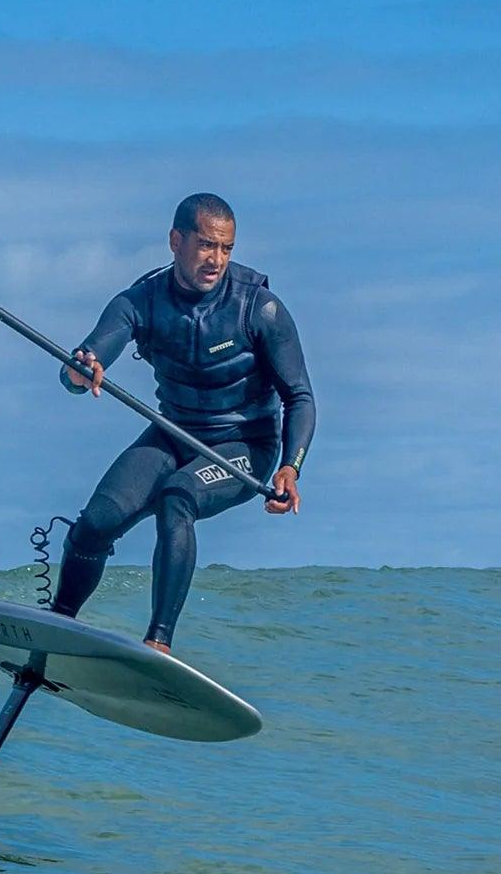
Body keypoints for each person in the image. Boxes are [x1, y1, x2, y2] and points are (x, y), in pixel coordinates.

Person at [50, 192, 316, 653]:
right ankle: (55, 629)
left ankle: (158, 643)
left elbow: (300, 397)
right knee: (95, 524)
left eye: (226, 248)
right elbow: (87, 357)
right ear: (176, 240)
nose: (217, 259)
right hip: (173, 433)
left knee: (179, 497)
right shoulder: (142, 300)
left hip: (244, 447)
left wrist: (290, 467)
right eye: (206, 245)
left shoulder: (261, 309)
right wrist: (81, 369)